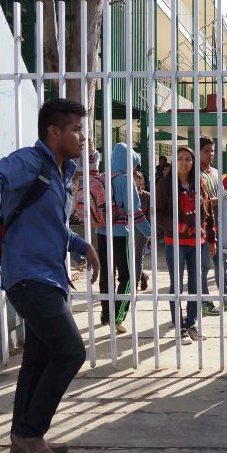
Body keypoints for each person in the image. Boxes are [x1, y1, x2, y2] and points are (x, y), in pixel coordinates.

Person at [0, 98, 98, 453]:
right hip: (29, 277)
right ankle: (32, 434)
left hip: (49, 277)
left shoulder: (62, 172)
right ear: (54, 131)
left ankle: (22, 439)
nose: (83, 137)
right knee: (70, 352)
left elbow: (52, 227)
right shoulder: (30, 161)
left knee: (38, 357)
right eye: (77, 129)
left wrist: (83, 245)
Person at [156, 146, 217, 343]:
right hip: (175, 242)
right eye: (180, 159)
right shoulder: (165, 185)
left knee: (195, 284)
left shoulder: (199, 183)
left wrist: (212, 239)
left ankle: (192, 323)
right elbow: (157, 214)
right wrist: (179, 226)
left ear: (193, 162)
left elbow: (208, 213)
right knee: (176, 285)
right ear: (175, 162)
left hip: (198, 243)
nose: (184, 162)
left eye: (188, 159)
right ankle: (179, 327)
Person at [96, 142, 153, 335]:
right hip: (121, 234)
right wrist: (149, 232)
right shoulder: (125, 180)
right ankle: (118, 317)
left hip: (101, 233)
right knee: (128, 277)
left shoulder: (103, 177)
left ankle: (105, 315)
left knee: (106, 274)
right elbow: (134, 211)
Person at [199, 136, 227, 312]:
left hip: (219, 223)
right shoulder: (195, 174)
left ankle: (226, 296)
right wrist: (221, 200)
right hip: (202, 225)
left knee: (222, 261)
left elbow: (222, 195)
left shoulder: (215, 172)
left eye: (212, 150)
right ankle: (204, 301)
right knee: (203, 264)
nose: (210, 154)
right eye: (206, 151)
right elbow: (200, 201)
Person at [134, 165, 151, 291]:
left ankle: (134, 284)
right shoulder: (125, 194)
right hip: (127, 230)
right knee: (129, 259)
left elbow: (151, 216)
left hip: (142, 230)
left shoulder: (147, 196)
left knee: (138, 258)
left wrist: (150, 233)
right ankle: (143, 276)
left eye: (136, 179)